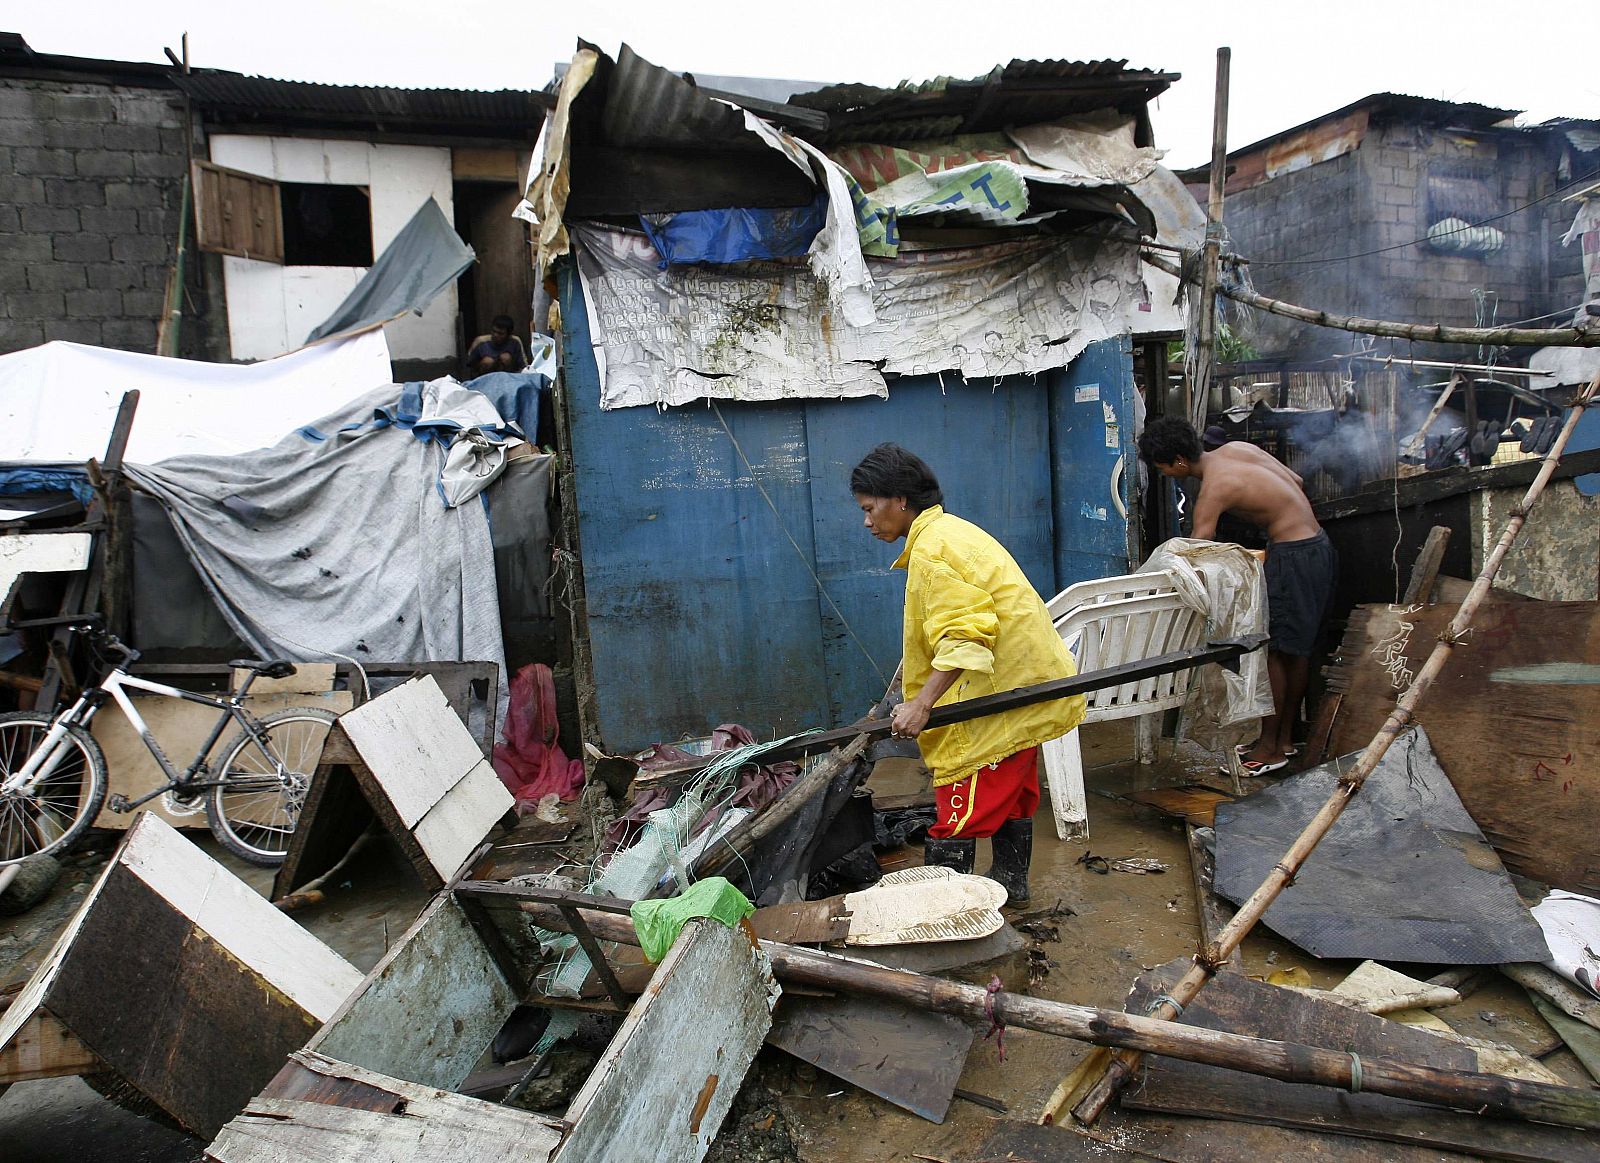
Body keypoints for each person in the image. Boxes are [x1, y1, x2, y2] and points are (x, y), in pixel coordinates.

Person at [851, 443, 1086, 904]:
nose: (866, 521)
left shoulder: (934, 551)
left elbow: (965, 637)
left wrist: (922, 703)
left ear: (900, 500)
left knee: (959, 813)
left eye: (869, 508)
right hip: (1025, 685)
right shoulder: (948, 534)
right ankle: (1011, 887)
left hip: (1000, 697)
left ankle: (944, 917)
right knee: (1015, 799)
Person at [1137, 417, 1335, 774]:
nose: (1164, 473)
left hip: (1293, 557)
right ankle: (1286, 740)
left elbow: (1197, 552)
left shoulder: (1214, 489)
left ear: (1179, 461)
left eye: (1163, 467)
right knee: (1296, 651)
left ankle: (1270, 749)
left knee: (1275, 651)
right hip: (1316, 546)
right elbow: (1297, 482)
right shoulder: (1236, 450)